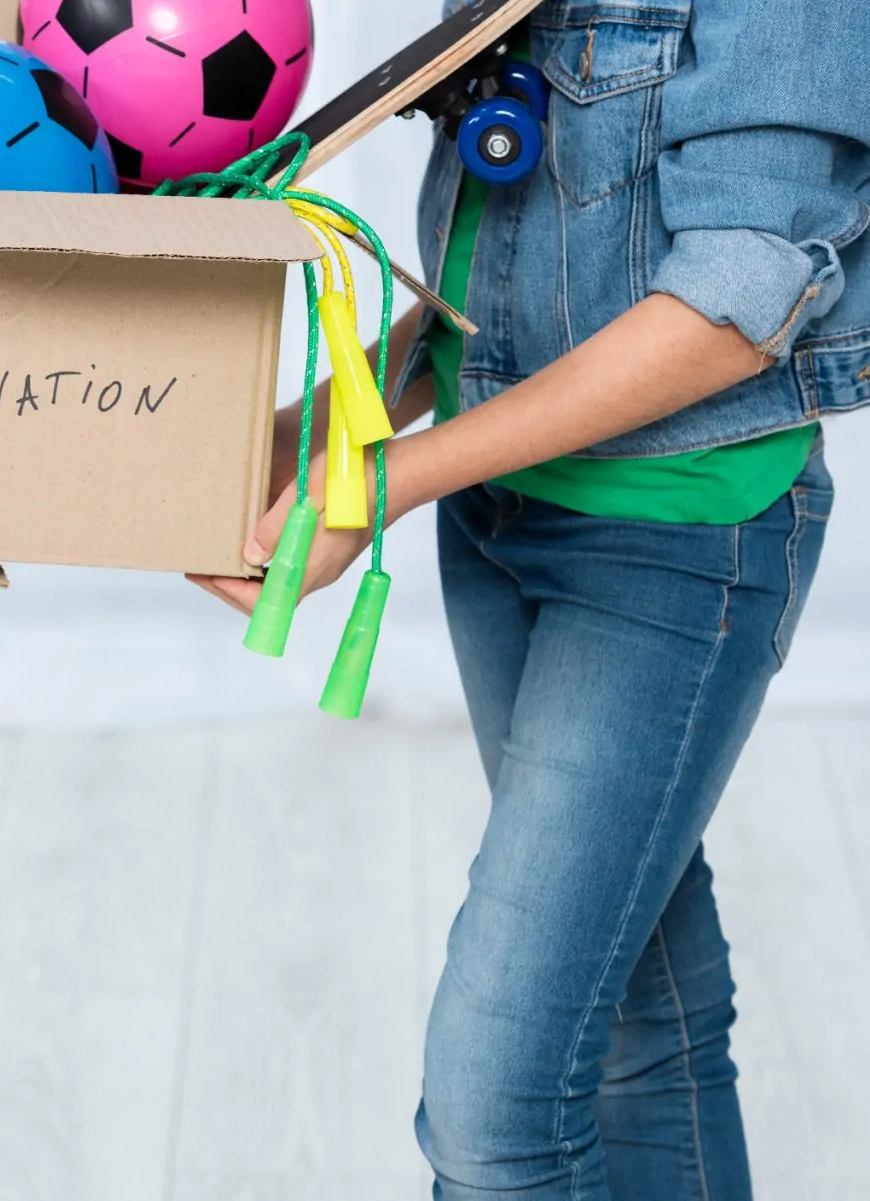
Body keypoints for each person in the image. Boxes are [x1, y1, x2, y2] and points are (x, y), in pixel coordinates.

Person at [192, 0, 869, 1197]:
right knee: (641, 1013)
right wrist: (330, 432)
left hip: (674, 543)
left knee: (493, 1113)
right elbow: (518, 273)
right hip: (501, 511)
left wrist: (382, 481)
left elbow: (730, 309)